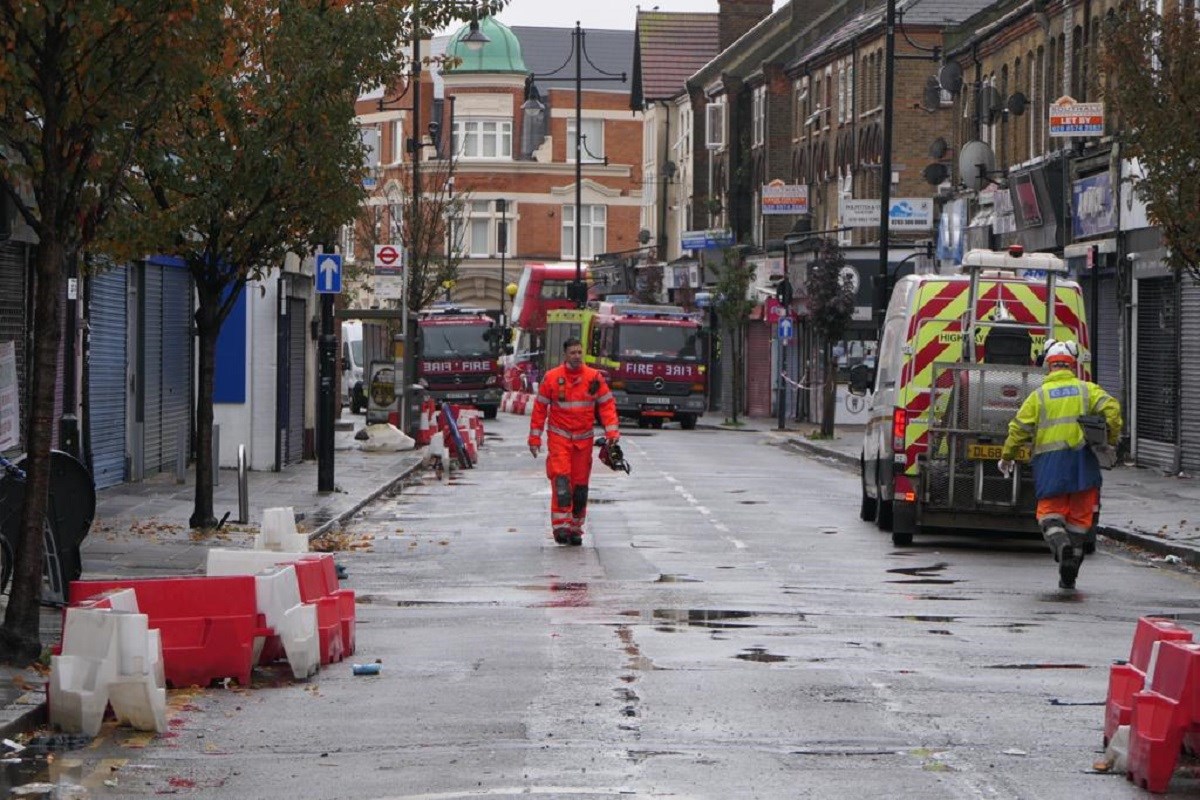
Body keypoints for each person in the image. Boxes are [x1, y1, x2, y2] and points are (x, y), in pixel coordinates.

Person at [998, 339, 1122, 589]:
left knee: (1049, 515)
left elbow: (1018, 429)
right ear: (1072, 365)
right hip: (1084, 462)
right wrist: (1108, 440)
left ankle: (1062, 547)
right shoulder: (1088, 390)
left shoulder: (1039, 396)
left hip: (1051, 465)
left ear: (1048, 366)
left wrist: (1007, 456)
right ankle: (1070, 571)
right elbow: (1113, 409)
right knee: (1079, 520)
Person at [528, 337, 620, 546]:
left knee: (580, 488)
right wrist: (534, 438)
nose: (577, 356)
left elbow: (607, 406)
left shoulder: (593, 378)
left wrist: (613, 434)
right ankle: (560, 527)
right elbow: (540, 409)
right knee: (561, 482)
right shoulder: (552, 378)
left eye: (580, 352)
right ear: (565, 355)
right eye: (573, 353)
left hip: (583, 441)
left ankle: (576, 528)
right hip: (559, 437)